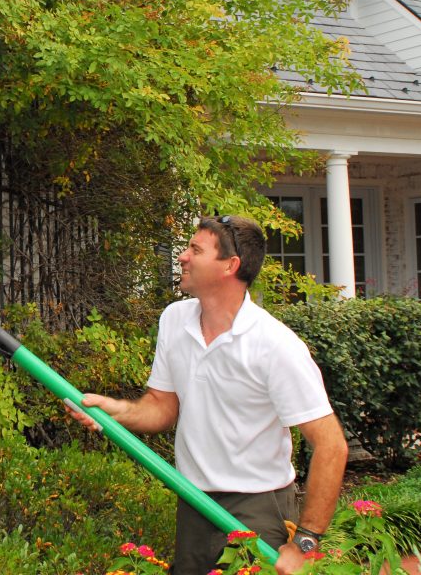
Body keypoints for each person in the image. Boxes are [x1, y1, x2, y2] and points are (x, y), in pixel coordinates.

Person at [67, 215, 348, 575]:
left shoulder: (275, 346)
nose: (182, 256)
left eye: (195, 250)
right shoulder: (174, 320)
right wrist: (112, 411)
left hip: (258, 508)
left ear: (230, 266)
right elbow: (161, 408)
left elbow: (331, 445)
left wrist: (304, 541)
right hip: (194, 503)